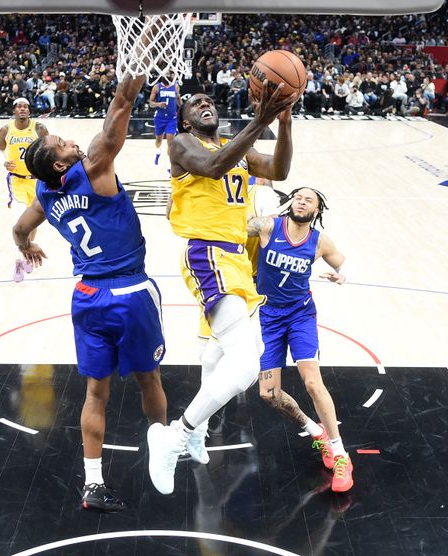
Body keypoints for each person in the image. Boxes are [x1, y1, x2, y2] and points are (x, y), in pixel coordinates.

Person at [12, 59, 168, 512]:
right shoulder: (96, 166)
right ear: (63, 163)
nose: (66, 137)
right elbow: (121, 105)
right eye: (61, 142)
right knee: (149, 378)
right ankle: (162, 449)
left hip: (87, 298)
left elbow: (20, 229)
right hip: (130, 293)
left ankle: (93, 484)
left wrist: (28, 246)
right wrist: (141, 61)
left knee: (95, 394)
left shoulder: (44, 193)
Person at [147, 82, 296, 496]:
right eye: (196, 103)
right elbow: (212, 167)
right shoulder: (180, 144)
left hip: (236, 261)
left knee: (217, 354)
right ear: (185, 118)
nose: (205, 104)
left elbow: (279, 171)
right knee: (248, 366)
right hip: (208, 255)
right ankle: (175, 436)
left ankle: (199, 432)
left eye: (209, 100)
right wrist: (261, 118)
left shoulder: (236, 146)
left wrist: (283, 124)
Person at [246, 187, 354, 492]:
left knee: (311, 382)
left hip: (300, 316)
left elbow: (342, 263)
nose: (303, 201)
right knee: (268, 394)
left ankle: (341, 453)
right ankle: (313, 429)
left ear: (317, 211)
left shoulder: (319, 242)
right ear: (290, 202)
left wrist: (342, 275)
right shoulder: (267, 226)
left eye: (310, 199)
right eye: (299, 197)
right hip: (267, 317)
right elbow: (231, 231)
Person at [0, 97, 48, 282]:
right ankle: (19, 260)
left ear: (29, 110)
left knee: (31, 224)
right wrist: (3, 161)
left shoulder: (39, 128)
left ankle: (27, 251)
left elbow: (48, 150)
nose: (23, 109)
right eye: (19, 106)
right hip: (17, 181)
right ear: (14, 110)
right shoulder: (6, 129)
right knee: (19, 223)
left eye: (26, 106)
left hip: (37, 181)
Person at [148, 73, 180, 166]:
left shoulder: (176, 86)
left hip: (172, 118)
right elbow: (150, 103)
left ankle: (171, 166)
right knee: (159, 140)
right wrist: (158, 104)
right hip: (160, 117)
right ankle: (158, 153)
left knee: (170, 141)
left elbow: (178, 99)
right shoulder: (157, 87)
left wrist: (182, 109)